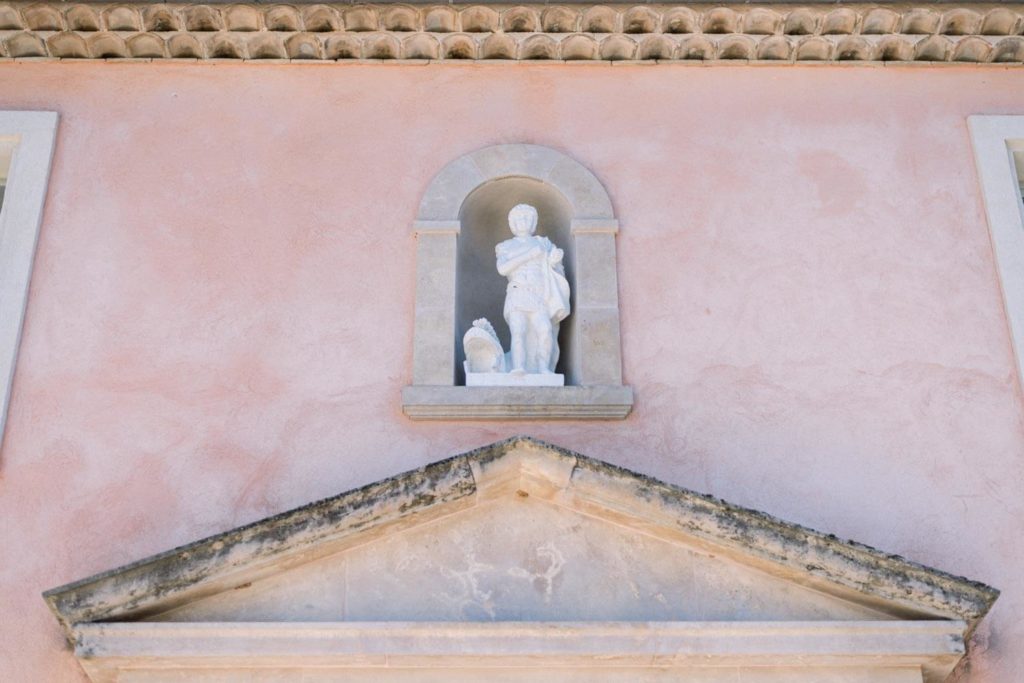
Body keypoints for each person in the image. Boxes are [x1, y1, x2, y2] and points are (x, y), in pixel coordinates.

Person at [495, 204, 571, 375]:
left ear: (533, 222)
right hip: (518, 291)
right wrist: (530, 254)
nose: (524, 222)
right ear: (512, 223)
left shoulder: (543, 243)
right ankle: (518, 367)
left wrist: (554, 261)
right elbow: (503, 269)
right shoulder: (505, 246)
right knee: (518, 330)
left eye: (528, 218)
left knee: (545, 330)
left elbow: (553, 268)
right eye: (520, 218)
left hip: (539, 294)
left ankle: (544, 368)